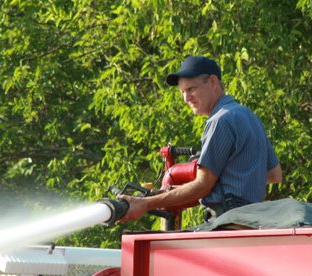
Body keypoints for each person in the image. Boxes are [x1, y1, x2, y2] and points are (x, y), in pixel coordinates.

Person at [119, 55, 282, 222]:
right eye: (183, 92)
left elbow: (202, 186)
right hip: (253, 220)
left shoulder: (220, 120)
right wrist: (228, 179)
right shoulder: (248, 116)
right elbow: (274, 175)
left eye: (191, 89)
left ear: (212, 82)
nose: (186, 98)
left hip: (228, 221)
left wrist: (145, 203)